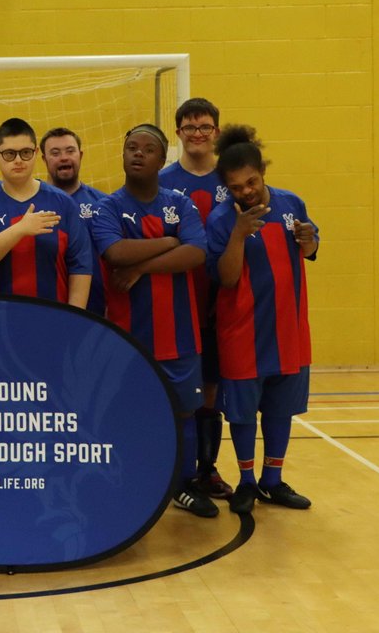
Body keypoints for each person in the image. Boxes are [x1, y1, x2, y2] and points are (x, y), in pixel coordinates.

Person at [90, 124, 217, 518]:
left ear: (163, 160)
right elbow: (114, 252)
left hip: (178, 334)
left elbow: (197, 253)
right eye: (131, 147)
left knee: (183, 413)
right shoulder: (107, 207)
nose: (138, 154)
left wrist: (142, 268)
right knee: (126, 412)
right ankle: (128, 483)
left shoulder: (179, 204)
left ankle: (182, 485)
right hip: (127, 337)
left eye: (148, 149)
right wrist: (167, 242)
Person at [205, 125, 318, 515]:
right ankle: (247, 482)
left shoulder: (292, 205)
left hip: (288, 330)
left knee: (279, 409)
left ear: (262, 172)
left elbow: (312, 245)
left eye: (251, 182)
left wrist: (310, 240)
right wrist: (238, 235)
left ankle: (273, 480)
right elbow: (228, 277)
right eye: (237, 187)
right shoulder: (221, 220)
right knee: (240, 414)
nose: (247, 191)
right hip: (241, 332)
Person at [158, 99, 233, 500]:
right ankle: (174, 470)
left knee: (212, 391)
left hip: (222, 303)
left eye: (205, 127)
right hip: (175, 304)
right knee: (178, 394)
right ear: (178, 133)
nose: (198, 134)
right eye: (190, 127)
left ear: (216, 132)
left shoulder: (231, 179)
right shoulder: (164, 181)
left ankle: (208, 470)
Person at [0, 118, 92, 307]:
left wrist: (74, 320)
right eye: (9, 154)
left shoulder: (64, 203)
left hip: (52, 320)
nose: (18, 160)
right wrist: (19, 229)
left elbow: (81, 266)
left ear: (36, 153)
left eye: (25, 153)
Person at [40, 127, 109, 315]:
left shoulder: (103, 204)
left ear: (81, 155)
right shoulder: (32, 206)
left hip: (97, 311)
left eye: (70, 151)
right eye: (55, 153)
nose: (64, 157)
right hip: (47, 308)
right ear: (44, 160)